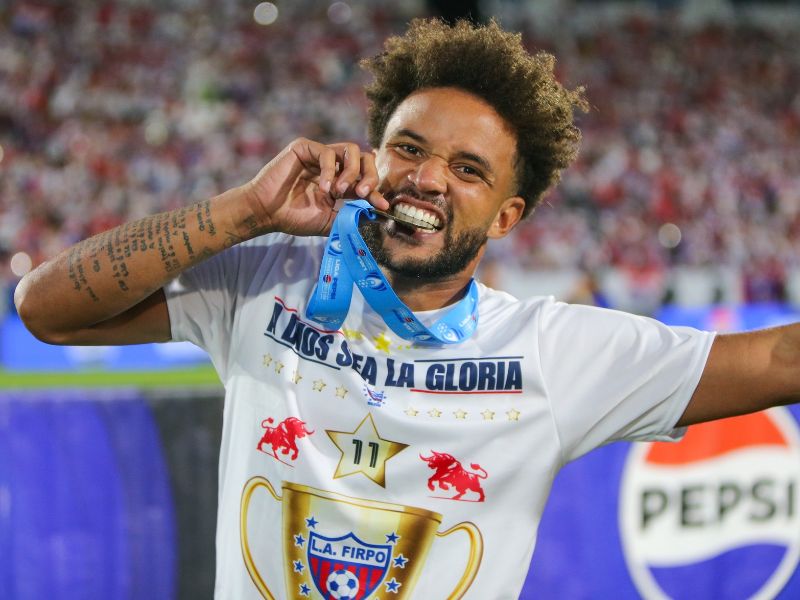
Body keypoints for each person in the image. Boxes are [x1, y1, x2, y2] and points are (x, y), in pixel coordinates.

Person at [13, 18, 800, 599]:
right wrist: (245, 211)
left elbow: (775, 360)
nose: (426, 179)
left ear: (505, 216)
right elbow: (45, 309)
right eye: (410, 148)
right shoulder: (266, 280)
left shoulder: (552, 353)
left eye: (467, 168)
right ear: (374, 155)